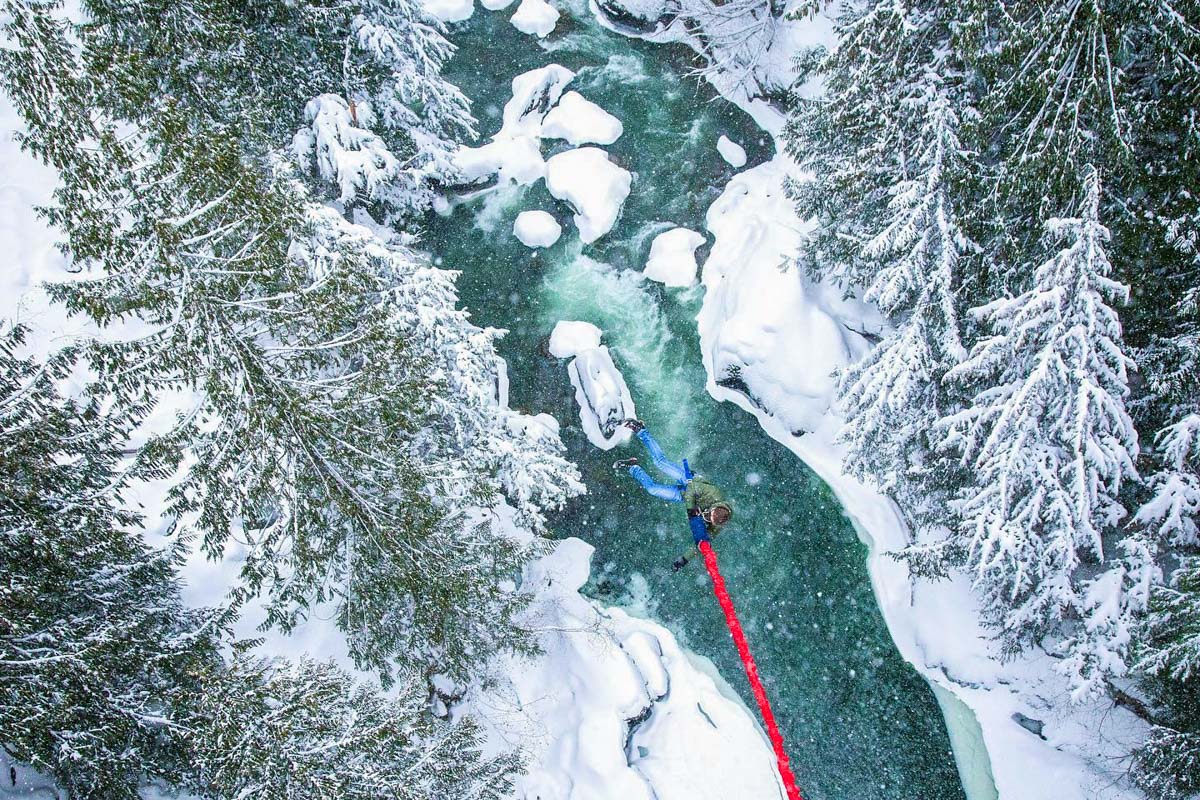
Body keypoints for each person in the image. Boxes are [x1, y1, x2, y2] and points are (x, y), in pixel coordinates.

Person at [613, 419, 733, 571]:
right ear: (714, 507)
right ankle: (641, 430)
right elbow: (691, 490)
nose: (707, 517)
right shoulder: (713, 494)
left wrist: (683, 560)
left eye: (709, 519)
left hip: (687, 497)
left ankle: (632, 467)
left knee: (653, 489)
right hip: (690, 482)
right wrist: (691, 511)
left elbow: (702, 544)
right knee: (660, 462)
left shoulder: (716, 527)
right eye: (709, 514)